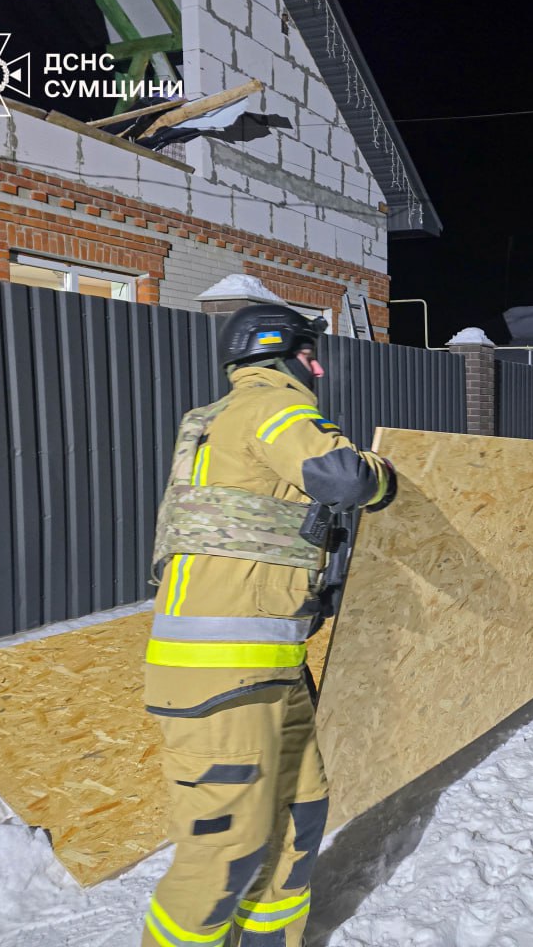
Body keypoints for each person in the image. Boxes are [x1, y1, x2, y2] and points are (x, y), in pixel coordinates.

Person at [142, 303, 395, 947]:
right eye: (311, 354)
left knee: (298, 815)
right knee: (224, 852)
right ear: (280, 353)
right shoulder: (269, 405)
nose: (318, 369)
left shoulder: (219, 421)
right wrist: (387, 476)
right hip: (219, 674)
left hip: (270, 666)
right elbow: (343, 476)